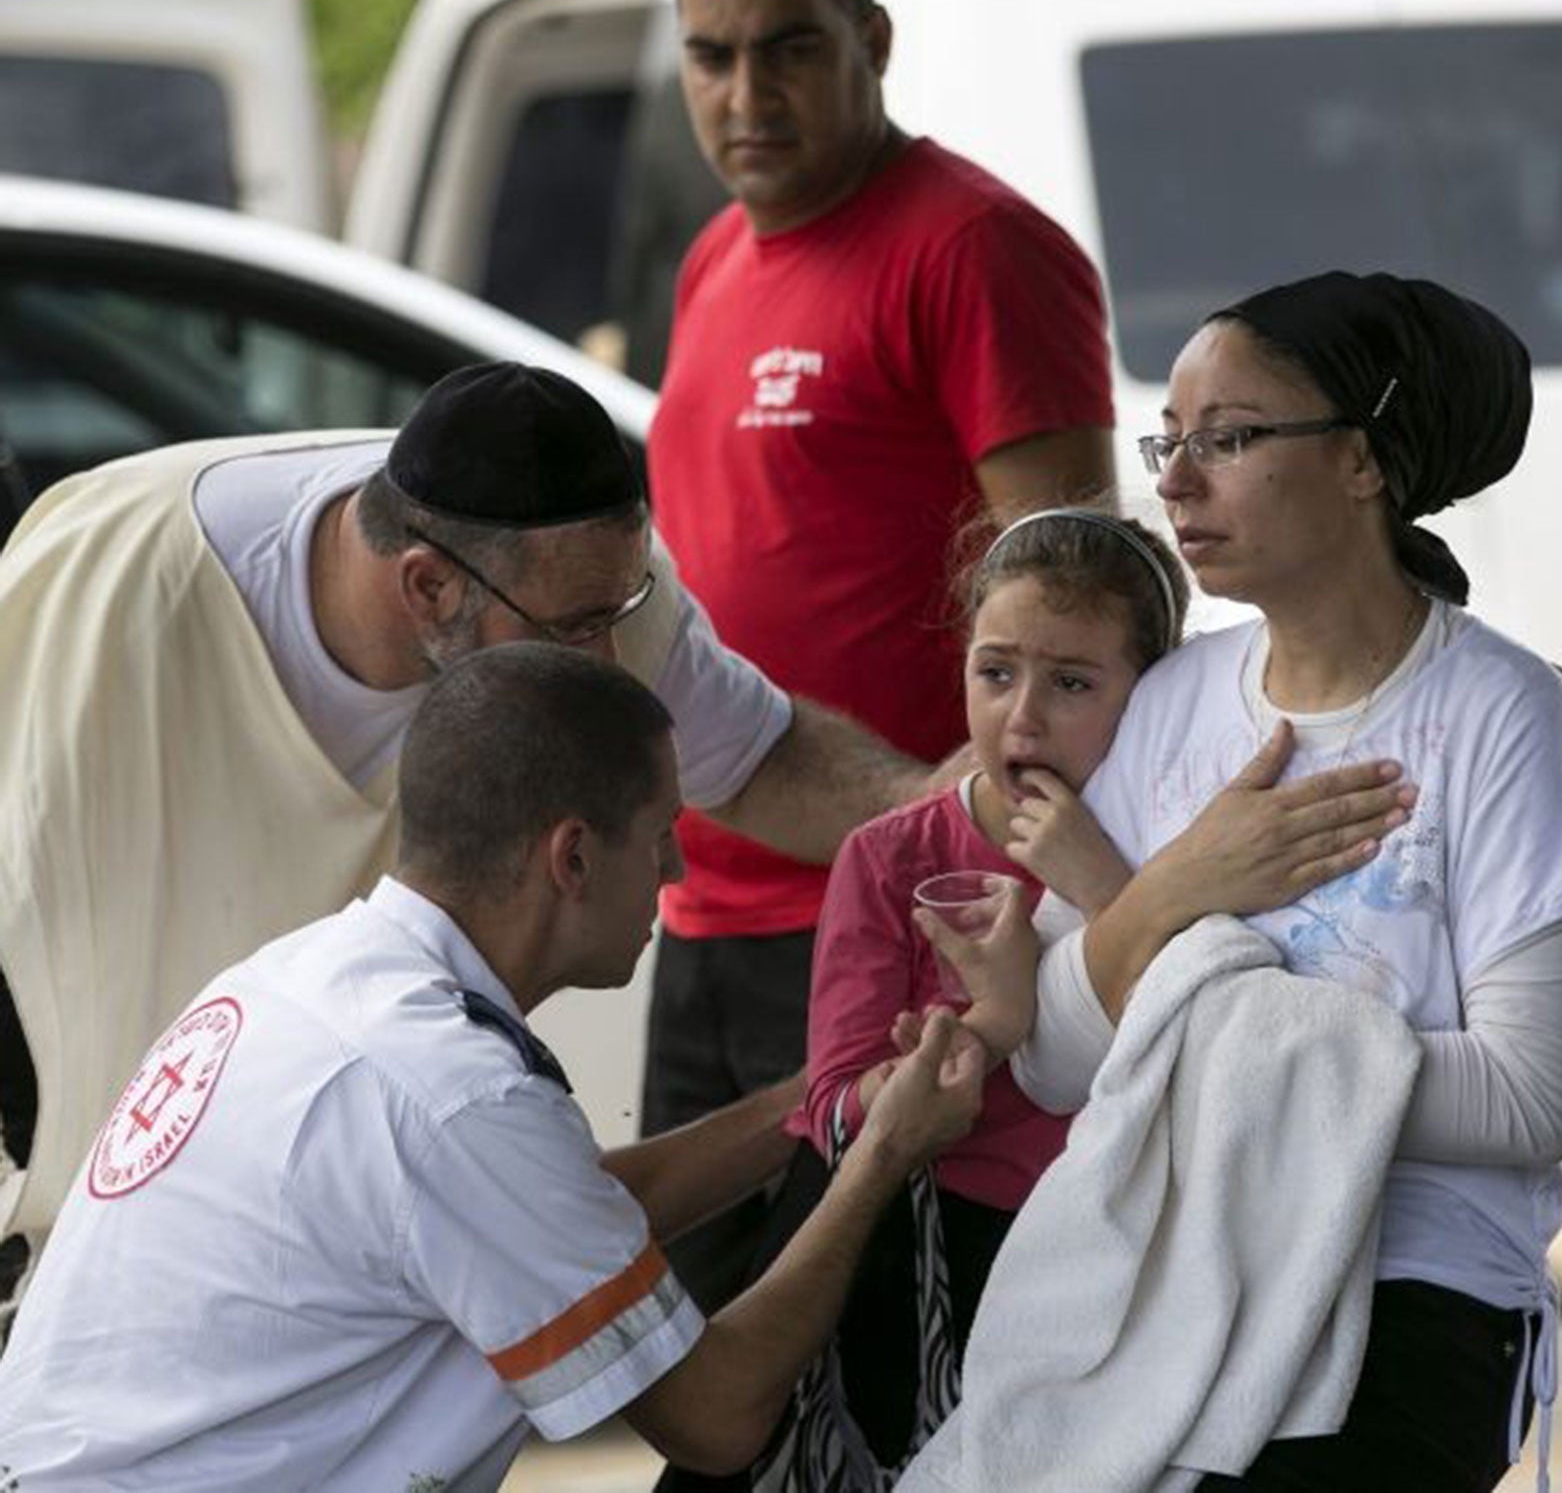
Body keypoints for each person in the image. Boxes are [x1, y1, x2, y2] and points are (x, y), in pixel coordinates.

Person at [0, 359, 944, 1301]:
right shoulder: (113, 609)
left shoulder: (581, 578)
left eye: (618, 616)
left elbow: (768, 762)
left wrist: (967, 816)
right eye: (578, 629)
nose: (611, 662)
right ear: (429, 590)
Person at [0, 643, 984, 1488]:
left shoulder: (310, 976)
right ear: (571, 857)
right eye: (660, 835)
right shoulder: (451, 1094)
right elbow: (716, 1416)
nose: (676, 873)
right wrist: (879, 1153)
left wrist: (818, 1098)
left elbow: (559, 1215)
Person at [1005, 271, 1562, 1491]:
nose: (1176, 481)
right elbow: (1053, 1058)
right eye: (1169, 441)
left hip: (1416, 1290)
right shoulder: (1173, 703)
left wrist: (1192, 1016)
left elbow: (1528, 1099)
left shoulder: (1498, 716)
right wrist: (1185, 881)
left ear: (1363, 462)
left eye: (1228, 440)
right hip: (1172, 1282)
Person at [641, 0, 1118, 1317]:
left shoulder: (972, 248)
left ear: (875, 40)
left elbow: (1079, 604)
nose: (745, 94)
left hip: (890, 922)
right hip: (701, 906)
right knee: (708, 1370)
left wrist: (1006, 889)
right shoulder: (713, 260)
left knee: (877, 1371)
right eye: (710, 55)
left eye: (787, 49)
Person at [781, 508, 1188, 1472]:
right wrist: (989, 1029)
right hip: (931, 1273)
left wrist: (1105, 894)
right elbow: (835, 1110)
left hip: (1121, 1267)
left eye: (1074, 683)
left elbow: (1215, 1043)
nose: (1023, 717)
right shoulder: (891, 858)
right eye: (995, 672)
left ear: (1156, 692)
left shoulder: (1180, 844)